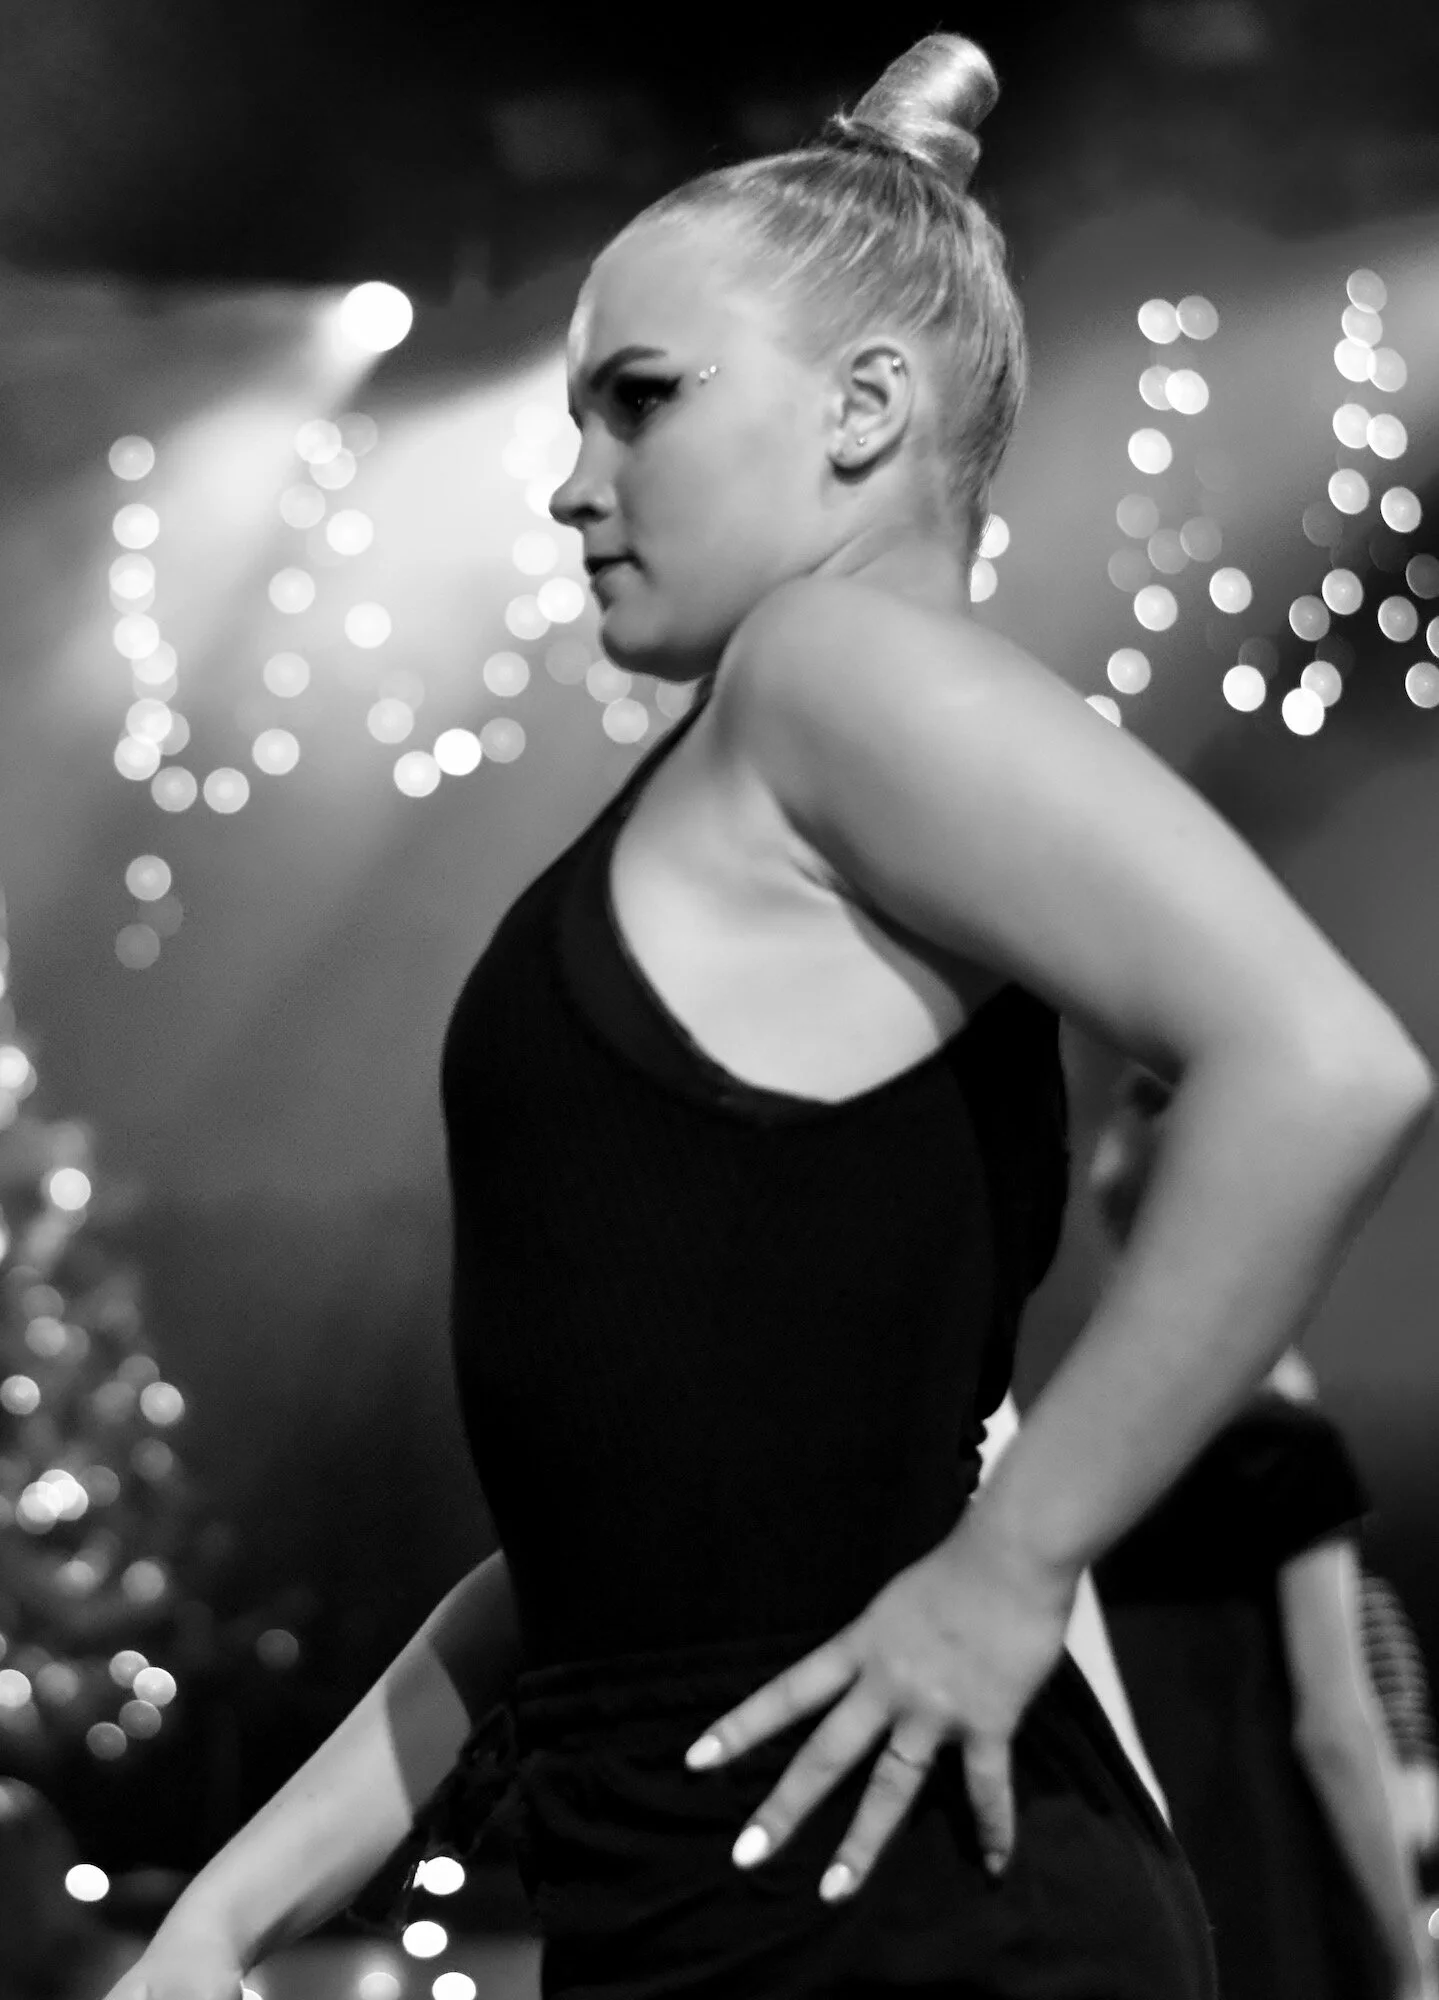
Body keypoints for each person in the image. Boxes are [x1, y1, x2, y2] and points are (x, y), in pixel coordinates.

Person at [104, 27, 1434, 2000]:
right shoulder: (781, 747)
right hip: (742, 1896)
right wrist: (225, 1914)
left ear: (864, 408)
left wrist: (1007, 1572)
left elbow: (1321, 1068)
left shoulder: (827, 670)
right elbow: (614, 1558)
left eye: (637, 401)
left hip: (884, 1916)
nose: (570, 485)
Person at [1090, 1064, 1438, 2000]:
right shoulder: (1278, 1446)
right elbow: (1334, 1728)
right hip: (1282, 1909)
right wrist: (1406, 1961)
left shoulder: (1074, 1458)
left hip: (1156, 1909)